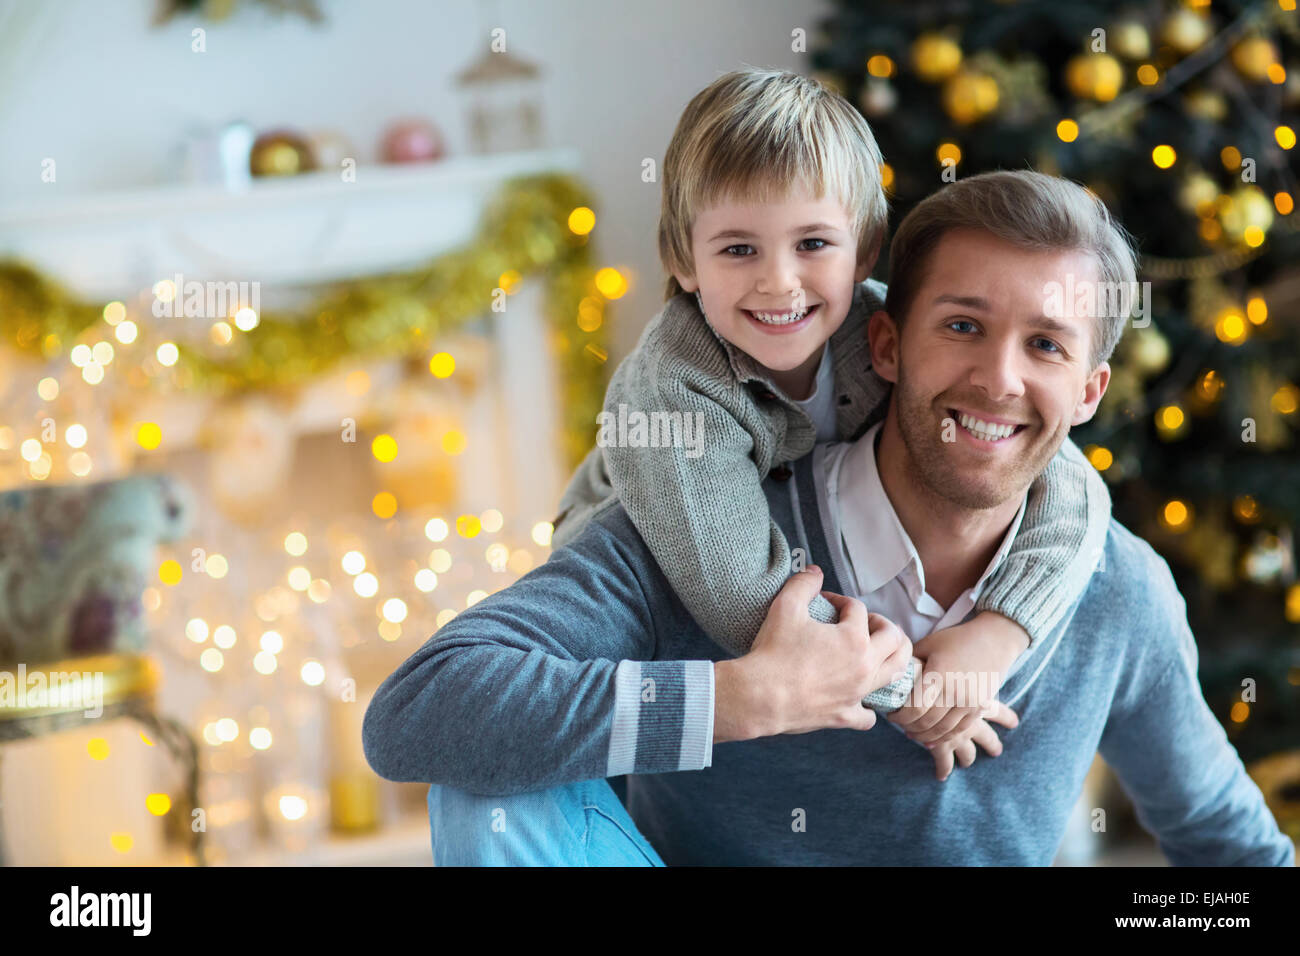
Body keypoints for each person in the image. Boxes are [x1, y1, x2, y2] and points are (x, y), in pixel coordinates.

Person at [362, 169, 1295, 867]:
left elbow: (1227, 845)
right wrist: (743, 700)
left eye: (1044, 344)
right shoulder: (695, 533)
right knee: (483, 796)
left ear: (1089, 390)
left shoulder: (1116, 592)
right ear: (885, 344)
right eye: (962, 326)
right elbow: (417, 712)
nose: (1000, 380)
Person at [550, 67, 1110, 744]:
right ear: (684, 260)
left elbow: (1068, 478)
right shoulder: (674, 394)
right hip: (651, 549)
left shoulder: (885, 330)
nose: (779, 282)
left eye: (813, 244)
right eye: (737, 249)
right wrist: (918, 696)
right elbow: (746, 599)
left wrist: (998, 633)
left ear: (864, 249)